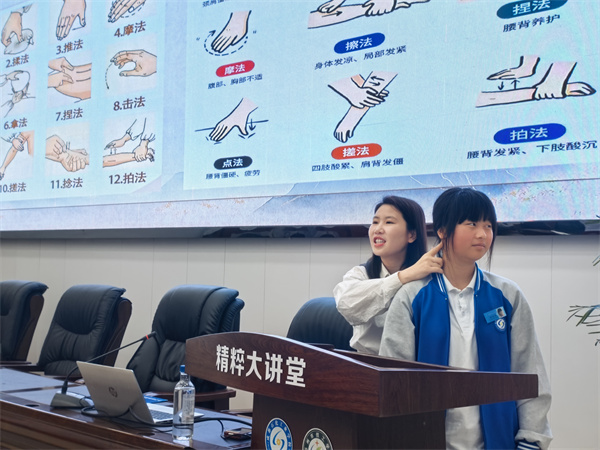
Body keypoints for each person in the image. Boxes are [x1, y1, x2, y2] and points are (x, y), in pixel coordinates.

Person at [380, 187, 552, 450]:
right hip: (425, 440)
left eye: (488, 225)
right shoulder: (412, 296)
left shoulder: (507, 295)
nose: (482, 234)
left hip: (497, 442)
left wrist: (531, 440)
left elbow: (529, 373)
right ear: (442, 230)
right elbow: (394, 383)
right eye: (471, 224)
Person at [334, 195, 443, 354]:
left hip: (416, 364)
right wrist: (402, 277)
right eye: (375, 222)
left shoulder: (430, 278)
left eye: (389, 222)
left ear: (412, 235)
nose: (378, 229)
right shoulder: (362, 273)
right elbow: (346, 305)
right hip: (367, 363)